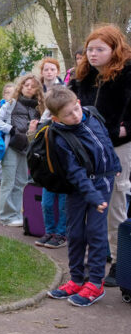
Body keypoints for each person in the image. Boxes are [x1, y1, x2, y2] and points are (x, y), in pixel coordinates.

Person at [44, 86, 121, 306]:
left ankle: (95, 283)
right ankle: (77, 279)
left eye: (75, 109)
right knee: (75, 233)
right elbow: (75, 173)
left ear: (78, 101)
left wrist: (115, 164)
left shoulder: (92, 115)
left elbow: (106, 141)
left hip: (103, 181)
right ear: (56, 117)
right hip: (80, 187)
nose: (75, 116)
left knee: (96, 234)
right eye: (68, 115)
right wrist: (94, 197)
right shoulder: (59, 137)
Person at [68, 24, 131, 287]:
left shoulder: (127, 75)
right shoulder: (83, 76)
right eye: (90, 49)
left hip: (117, 148)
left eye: (99, 49)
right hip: (85, 149)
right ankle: (86, 261)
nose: (92, 54)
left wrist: (122, 128)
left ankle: (119, 261)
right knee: (83, 203)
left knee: (115, 201)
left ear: (114, 49)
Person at [0, 74, 45, 227]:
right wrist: (11, 129)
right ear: (21, 86)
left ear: (37, 90)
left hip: (26, 148)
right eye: (26, 85)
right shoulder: (12, 103)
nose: (29, 88)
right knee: (8, 181)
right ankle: (6, 217)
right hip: (12, 147)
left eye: (32, 86)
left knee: (21, 182)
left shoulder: (39, 107)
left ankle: (15, 213)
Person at [36, 58, 68, 249]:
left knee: (63, 203)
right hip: (48, 162)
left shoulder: (63, 91)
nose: (49, 72)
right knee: (47, 203)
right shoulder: (40, 94)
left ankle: (61, 233)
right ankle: (49, 231)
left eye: (52, 69)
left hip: (63, 163)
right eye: (46, 69)